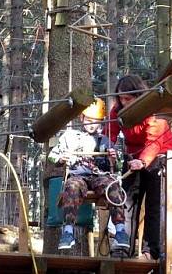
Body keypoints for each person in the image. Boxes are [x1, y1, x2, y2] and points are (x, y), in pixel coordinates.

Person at [47, 98, 130, 251]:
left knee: (112, 186)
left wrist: (113, 158)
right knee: (72, 186)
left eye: (96, 121)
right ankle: (68, 232)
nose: (92, 125)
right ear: (82, 118)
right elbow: (52, 156)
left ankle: (120, 231)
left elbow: (117, 167)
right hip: (78, 175)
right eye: (89, 120)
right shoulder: (70, 137)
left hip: (99, 176)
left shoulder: (104, 141)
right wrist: (62, 158)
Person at [110, 74, 172, 260]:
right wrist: (108, 148)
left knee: (154, 204)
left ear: (138, 96)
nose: (124, 103)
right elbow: (111, 133)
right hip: (133, 155)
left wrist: (144, 161)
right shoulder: (117, 112)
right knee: (127, 201)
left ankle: (150, 251)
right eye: (121, 98)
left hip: (160, 155)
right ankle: (123, 248)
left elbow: (154, 141)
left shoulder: (153, 111)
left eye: (128, 99)